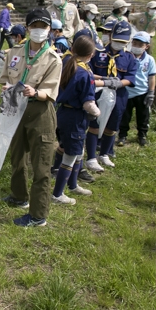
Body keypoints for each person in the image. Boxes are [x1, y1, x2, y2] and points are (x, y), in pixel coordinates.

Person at [0, 9, 62, 227]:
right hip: (16, 108)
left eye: (43, 26)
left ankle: (38, 215)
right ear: (27, 28)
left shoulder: (53, 58)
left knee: (41, 164)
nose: (39, 30)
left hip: (40, 112)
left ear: (49, 30)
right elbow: (5, 77)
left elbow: (50, 93)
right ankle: (19, 196)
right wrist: (6, 87)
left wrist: (35, 92)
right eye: (35, 26)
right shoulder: (14, 51)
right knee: (17, 156)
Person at [85, 21, 137, 173]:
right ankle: (91, 158)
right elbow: (89, 73)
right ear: (111, 36)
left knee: (112, 126)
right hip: (99, 92)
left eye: (123, 41)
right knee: (94, 125)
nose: (119, 44)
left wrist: (119, 83)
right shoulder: (97, 53)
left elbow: (131, 77)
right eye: (117, 40)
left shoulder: (129, 57)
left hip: (118, 95)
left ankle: (104, 154)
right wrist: (104, 81)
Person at [51, 35, 98, 205]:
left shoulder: (68, 64)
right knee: (70, 156)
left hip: (63, 113)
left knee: (78, 151)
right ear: (90, 54)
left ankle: (73, 184)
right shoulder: (84, 73)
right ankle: (57, 194)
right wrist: (96, 112)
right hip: (75, 117)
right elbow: (88, 102)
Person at [117, 31, 156, 147]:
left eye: (140, 45)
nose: (136, 47)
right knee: (125, 116)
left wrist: (151, 93)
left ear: (146, 46)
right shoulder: (125, 56)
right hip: (127, 92)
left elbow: (152, 77)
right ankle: (122, 135)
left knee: (143, 116)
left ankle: (142, 135)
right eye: (134, 43)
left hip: (142, 92)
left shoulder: (149, 60)